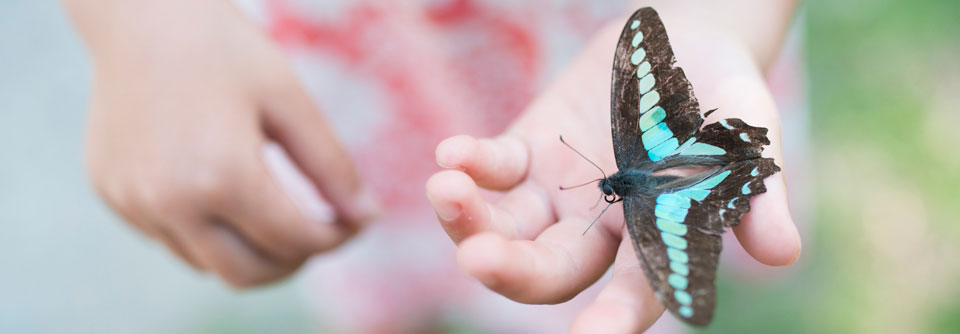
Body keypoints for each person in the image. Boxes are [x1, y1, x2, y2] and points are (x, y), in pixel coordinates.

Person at [64, 0, 801, 332]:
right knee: (406, 256)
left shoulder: (611, 172)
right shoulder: (622, 154)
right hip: (357, 63)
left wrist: (710, 16)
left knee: (620, 270)